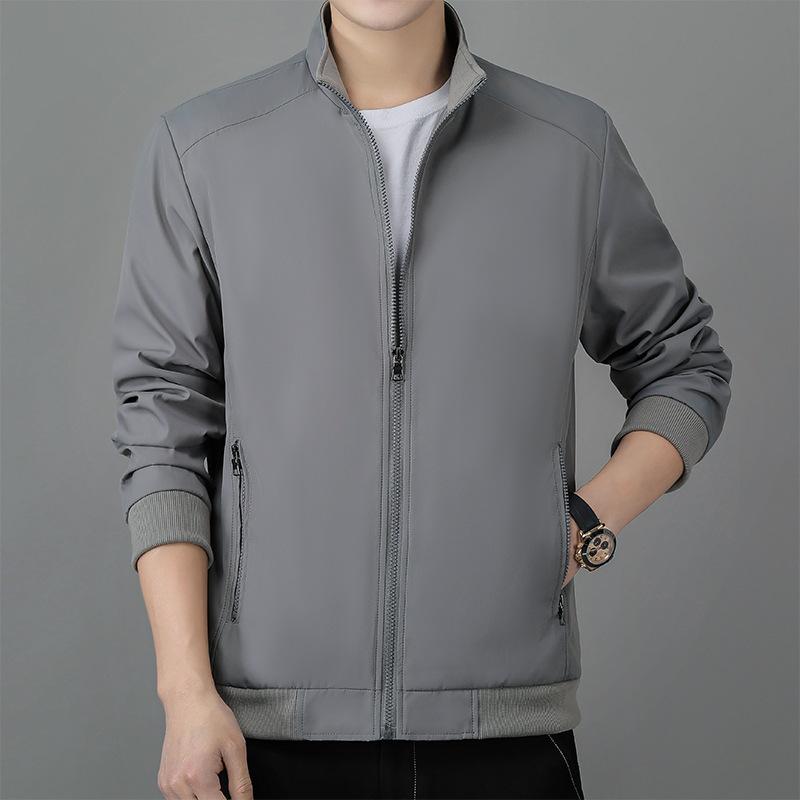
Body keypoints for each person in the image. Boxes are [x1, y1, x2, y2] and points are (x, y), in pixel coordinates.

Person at [110, 1, 733, 797]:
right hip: (268, 729)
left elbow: (684, 362)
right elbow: (161, 424)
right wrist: (185, 692)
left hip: (506, 728)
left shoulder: (571, 146)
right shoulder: (201, 147)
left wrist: (584, 519)